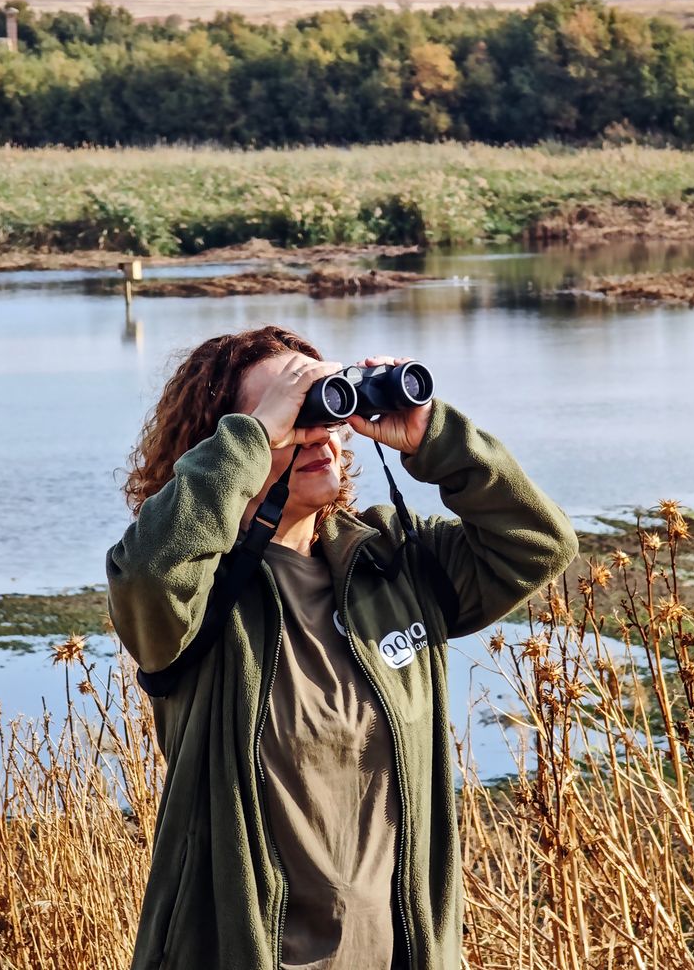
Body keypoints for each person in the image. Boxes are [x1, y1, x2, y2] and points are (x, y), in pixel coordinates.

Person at [106, 325, 577, 970]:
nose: (315, 429)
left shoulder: (394, 563)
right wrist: (253, 439)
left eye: (321, 401)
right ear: (223, 445)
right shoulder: (197, 603)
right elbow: (145, 572)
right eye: (287, 412)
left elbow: (538, 543)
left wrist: (435, 438)